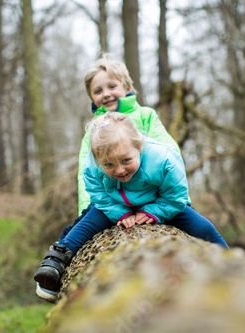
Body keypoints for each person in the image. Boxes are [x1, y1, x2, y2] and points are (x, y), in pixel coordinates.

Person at [34, 112, 229, 302]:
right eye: (109, 164)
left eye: (126, 160)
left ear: (139, 146)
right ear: (98, 160)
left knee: (202, 227)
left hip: (161, 202)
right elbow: (97, 194)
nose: (119, 170)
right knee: (85, 225)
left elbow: (176, 197)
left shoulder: (164, 159)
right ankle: (56, 261)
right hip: (114, 203)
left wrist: (153, 211)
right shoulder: (92, 165)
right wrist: (120, 213)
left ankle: (227, 261)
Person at [33, 54, 182, 302]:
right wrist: (87, 205)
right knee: (80, 228)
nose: (106, 94)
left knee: (196, 223)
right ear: (92, 97)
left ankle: (222, 254)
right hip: (113, 197)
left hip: (151, 195)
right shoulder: (95, 130)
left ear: (127, 88)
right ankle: (54, 267)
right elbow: (86, 172)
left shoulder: (145, 115)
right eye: (98, 90)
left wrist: (169, 195)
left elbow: (170, 151)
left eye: (112, 86)